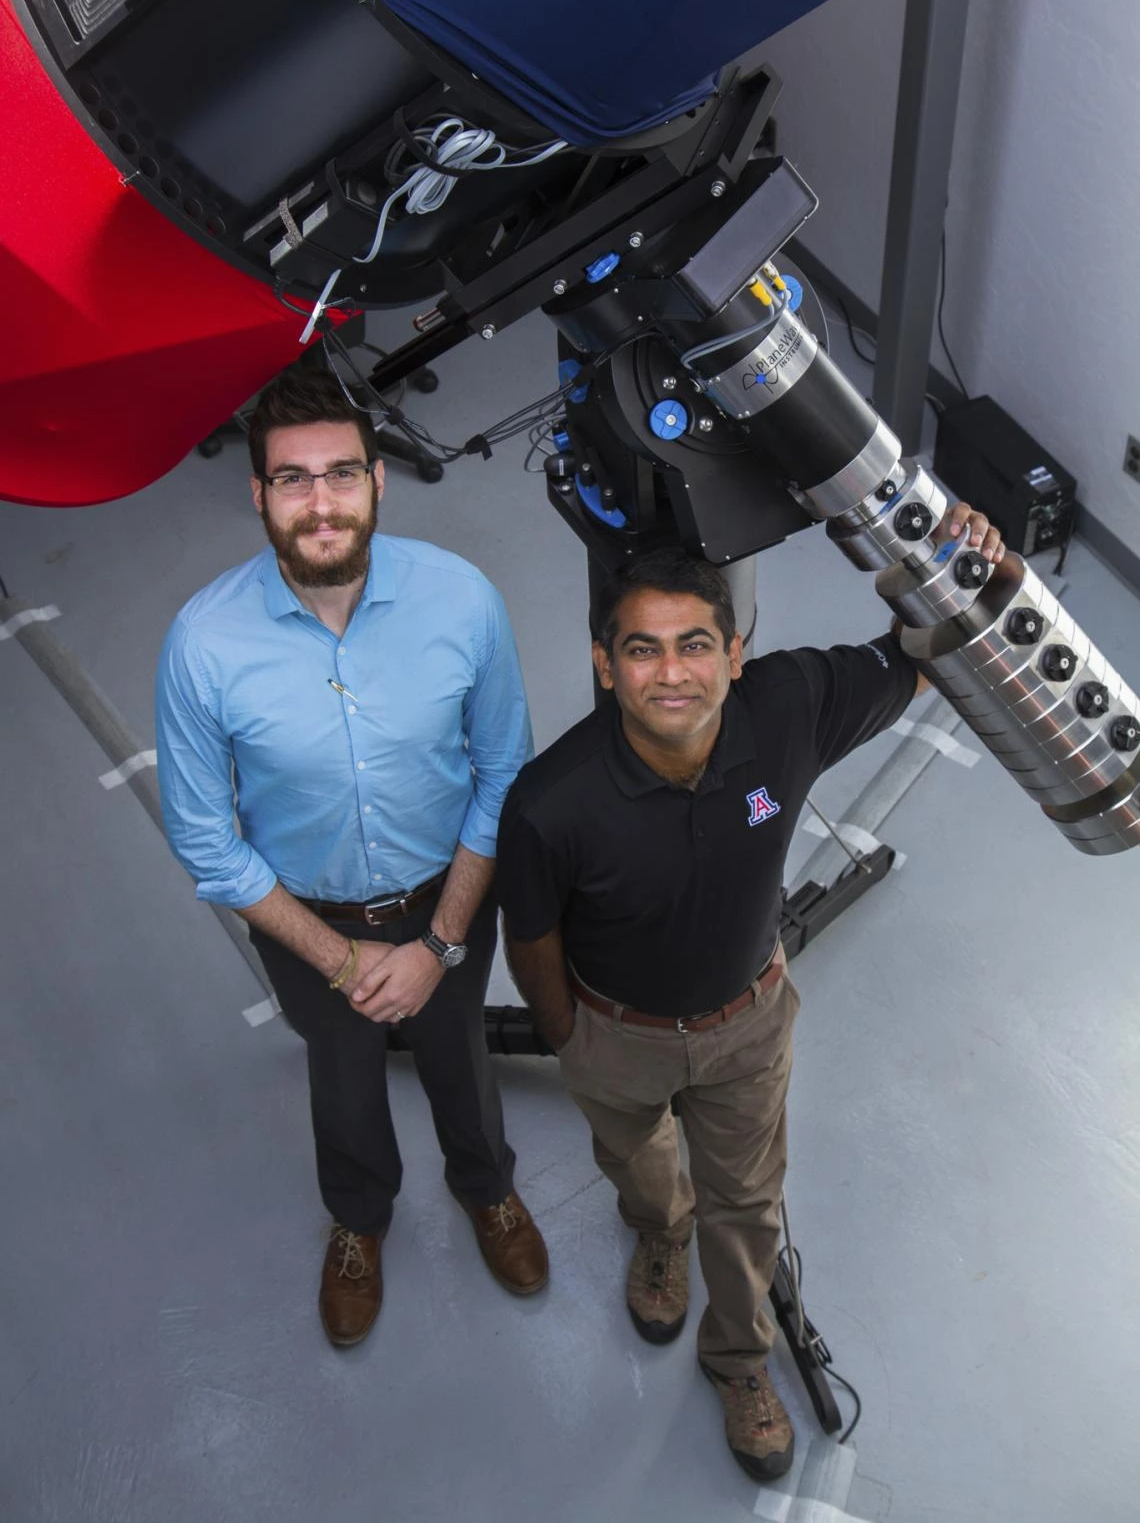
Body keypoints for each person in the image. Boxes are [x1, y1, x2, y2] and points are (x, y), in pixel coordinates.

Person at [497, 507, 1002, 1481]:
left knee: (749, 1207)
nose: (672, 672)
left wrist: (961, 564)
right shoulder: (551, 802)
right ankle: (657, 1234)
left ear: (735, 653)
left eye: (696, 646)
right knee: (640, 1165)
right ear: (605, 665)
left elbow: (913, 656)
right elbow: (533, 937)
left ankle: (739, 1364)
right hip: (615, 1036)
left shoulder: (789, 705)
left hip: (746, 1028)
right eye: (642, 650)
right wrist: (572, 1038)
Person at [156, 355, 548, 1349]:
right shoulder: (204, 645)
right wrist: (340, 960)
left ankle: (487, 1189)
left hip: (448, 897)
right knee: (341, 1076)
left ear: (377, 481)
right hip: (306, 921)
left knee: (458, 1052)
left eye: (340, 474)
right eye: (292, 479)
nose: (319, 503)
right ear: (258, 495)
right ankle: (360, 1220)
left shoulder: (462, 602)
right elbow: (207, 838)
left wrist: (439, 943)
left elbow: (504, 776)